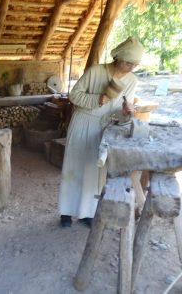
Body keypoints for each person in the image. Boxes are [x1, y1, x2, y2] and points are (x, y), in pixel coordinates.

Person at [58, 36, 144, 228]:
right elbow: (74, 95)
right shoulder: (96, 71)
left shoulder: (132, 80)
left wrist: (125, 112)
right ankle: (66, 212)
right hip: (83, 122)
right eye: (129, 63)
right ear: (119, 59)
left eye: (135, 64)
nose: (131, 67)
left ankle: (87, 213)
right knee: (74, 166)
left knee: (94, 170)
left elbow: (121, 109)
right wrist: (100, 98)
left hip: (104, 128)